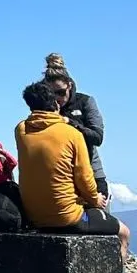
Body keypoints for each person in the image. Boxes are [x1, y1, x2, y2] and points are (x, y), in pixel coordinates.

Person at [15, 80, 129, 261]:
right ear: (55, 103)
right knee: (123, 232)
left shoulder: (21, 130)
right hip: (67, 216)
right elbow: (84, 176)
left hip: (33, 215)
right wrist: (95, 199)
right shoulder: (71, 134)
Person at [44, 53, 108, 203]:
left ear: (69, 85)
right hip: (61, 177)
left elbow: (97, 137)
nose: (58, 99)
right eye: (52, 94)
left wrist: (71, 123)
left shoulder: (85, 102)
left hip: (91, 173)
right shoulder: (45, 108)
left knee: (100, 222)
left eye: (60, 92)